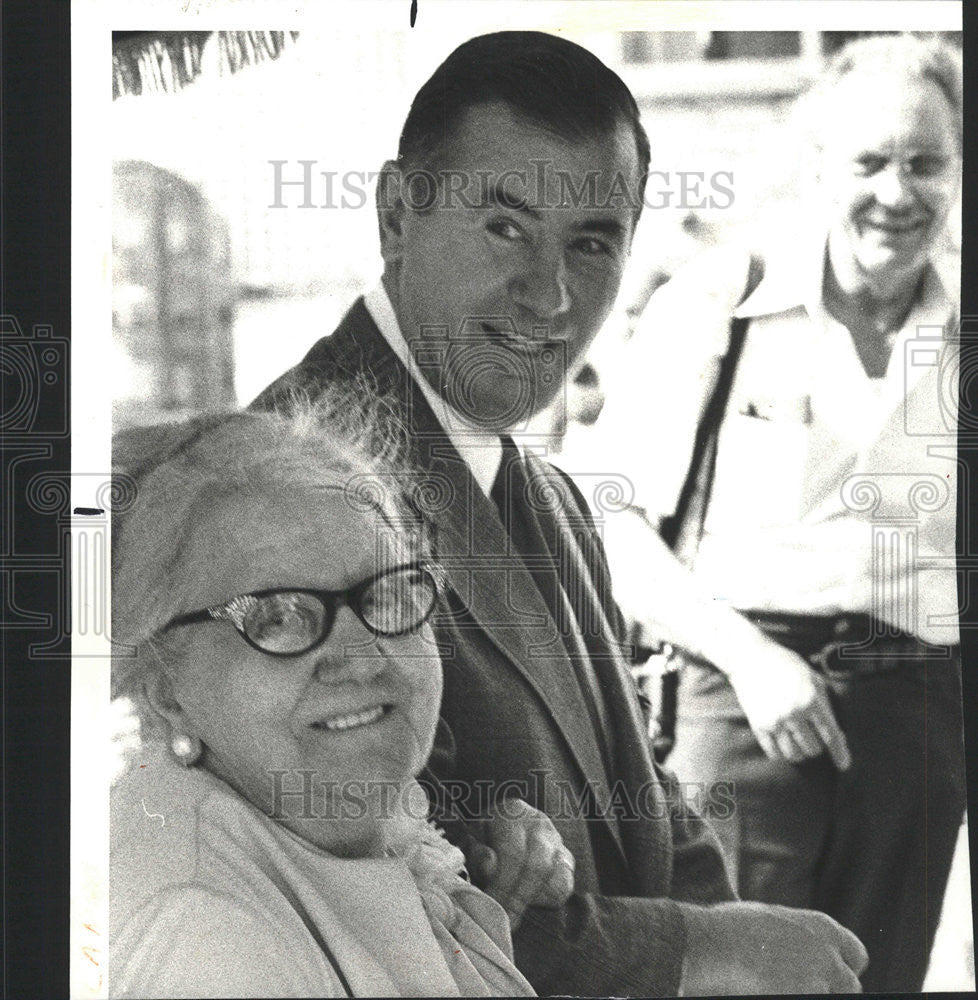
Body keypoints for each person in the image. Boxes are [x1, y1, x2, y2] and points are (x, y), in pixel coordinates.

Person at [254, 30, 868, 996]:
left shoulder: (554, 496)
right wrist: (699, 950)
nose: (550, 295)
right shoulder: (284, 488)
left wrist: (739, 932)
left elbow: (643, 803)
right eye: (505, 228)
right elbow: (349, 906)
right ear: (395, 215)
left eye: (591, 242)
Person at [593, 33, 964, 994]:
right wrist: (753, 662)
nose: (898, 192)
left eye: (926, 163)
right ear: (818, 168)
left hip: (915, 720)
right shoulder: (723, 300)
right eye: (871, 162)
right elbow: (611, 524)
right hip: (738, 702)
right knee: (733, 979)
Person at [109, 400, 552, 997]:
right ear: (167, 691)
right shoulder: (205, 936)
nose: (365, 656)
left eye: (388, 593)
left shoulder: (325, 816)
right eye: (278, 618)